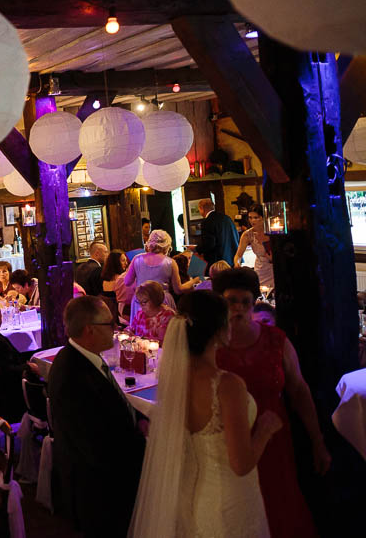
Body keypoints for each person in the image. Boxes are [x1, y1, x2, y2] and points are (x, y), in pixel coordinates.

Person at [129, 290, 281, 537]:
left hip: (194, 496)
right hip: (231, 499)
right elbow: (241, 464)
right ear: (221, 330)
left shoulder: (173, 379)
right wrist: (265, 430)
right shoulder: (226, 385)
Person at [214, 268, 329, 538]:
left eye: (246, 301)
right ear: (221, 301)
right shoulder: (210, 344)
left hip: (275, 438)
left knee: (280, 506)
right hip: (228, 439)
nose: (239, 308)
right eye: (232, 301)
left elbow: (299, 390)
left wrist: (317, 440)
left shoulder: (275, 340)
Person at [48, 296, 146, 538]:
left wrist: (136, 417)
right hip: (100, 488)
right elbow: (94, 444)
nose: (115, 330)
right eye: (110, 324)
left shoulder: (84, 356)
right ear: (90, 330)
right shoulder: (72, 374)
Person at [124, 229, 200, 322]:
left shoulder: (137, 259)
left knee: (140, 331)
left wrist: (139, 286)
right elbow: (178, 289)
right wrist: (194, 281)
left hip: (141, 301)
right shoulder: (170, 262)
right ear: (167, 245)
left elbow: (127, 282)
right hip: (162, 301)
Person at [234, 204, 274, 288]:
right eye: (250, 217)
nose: (252, 221)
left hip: (274, 270)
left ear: (263, 218)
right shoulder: (248, 234)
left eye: (256, 217)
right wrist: (237, 263)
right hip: (260, 270)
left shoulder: (273, 231)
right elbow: (238, 255)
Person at [194, 198, 240, 271]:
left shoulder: (207, 222)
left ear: (202, 208)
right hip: (231, 259)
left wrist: (196, 249)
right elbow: (236, 236)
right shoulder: (227, 218)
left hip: (218, 262)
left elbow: (209, 244)